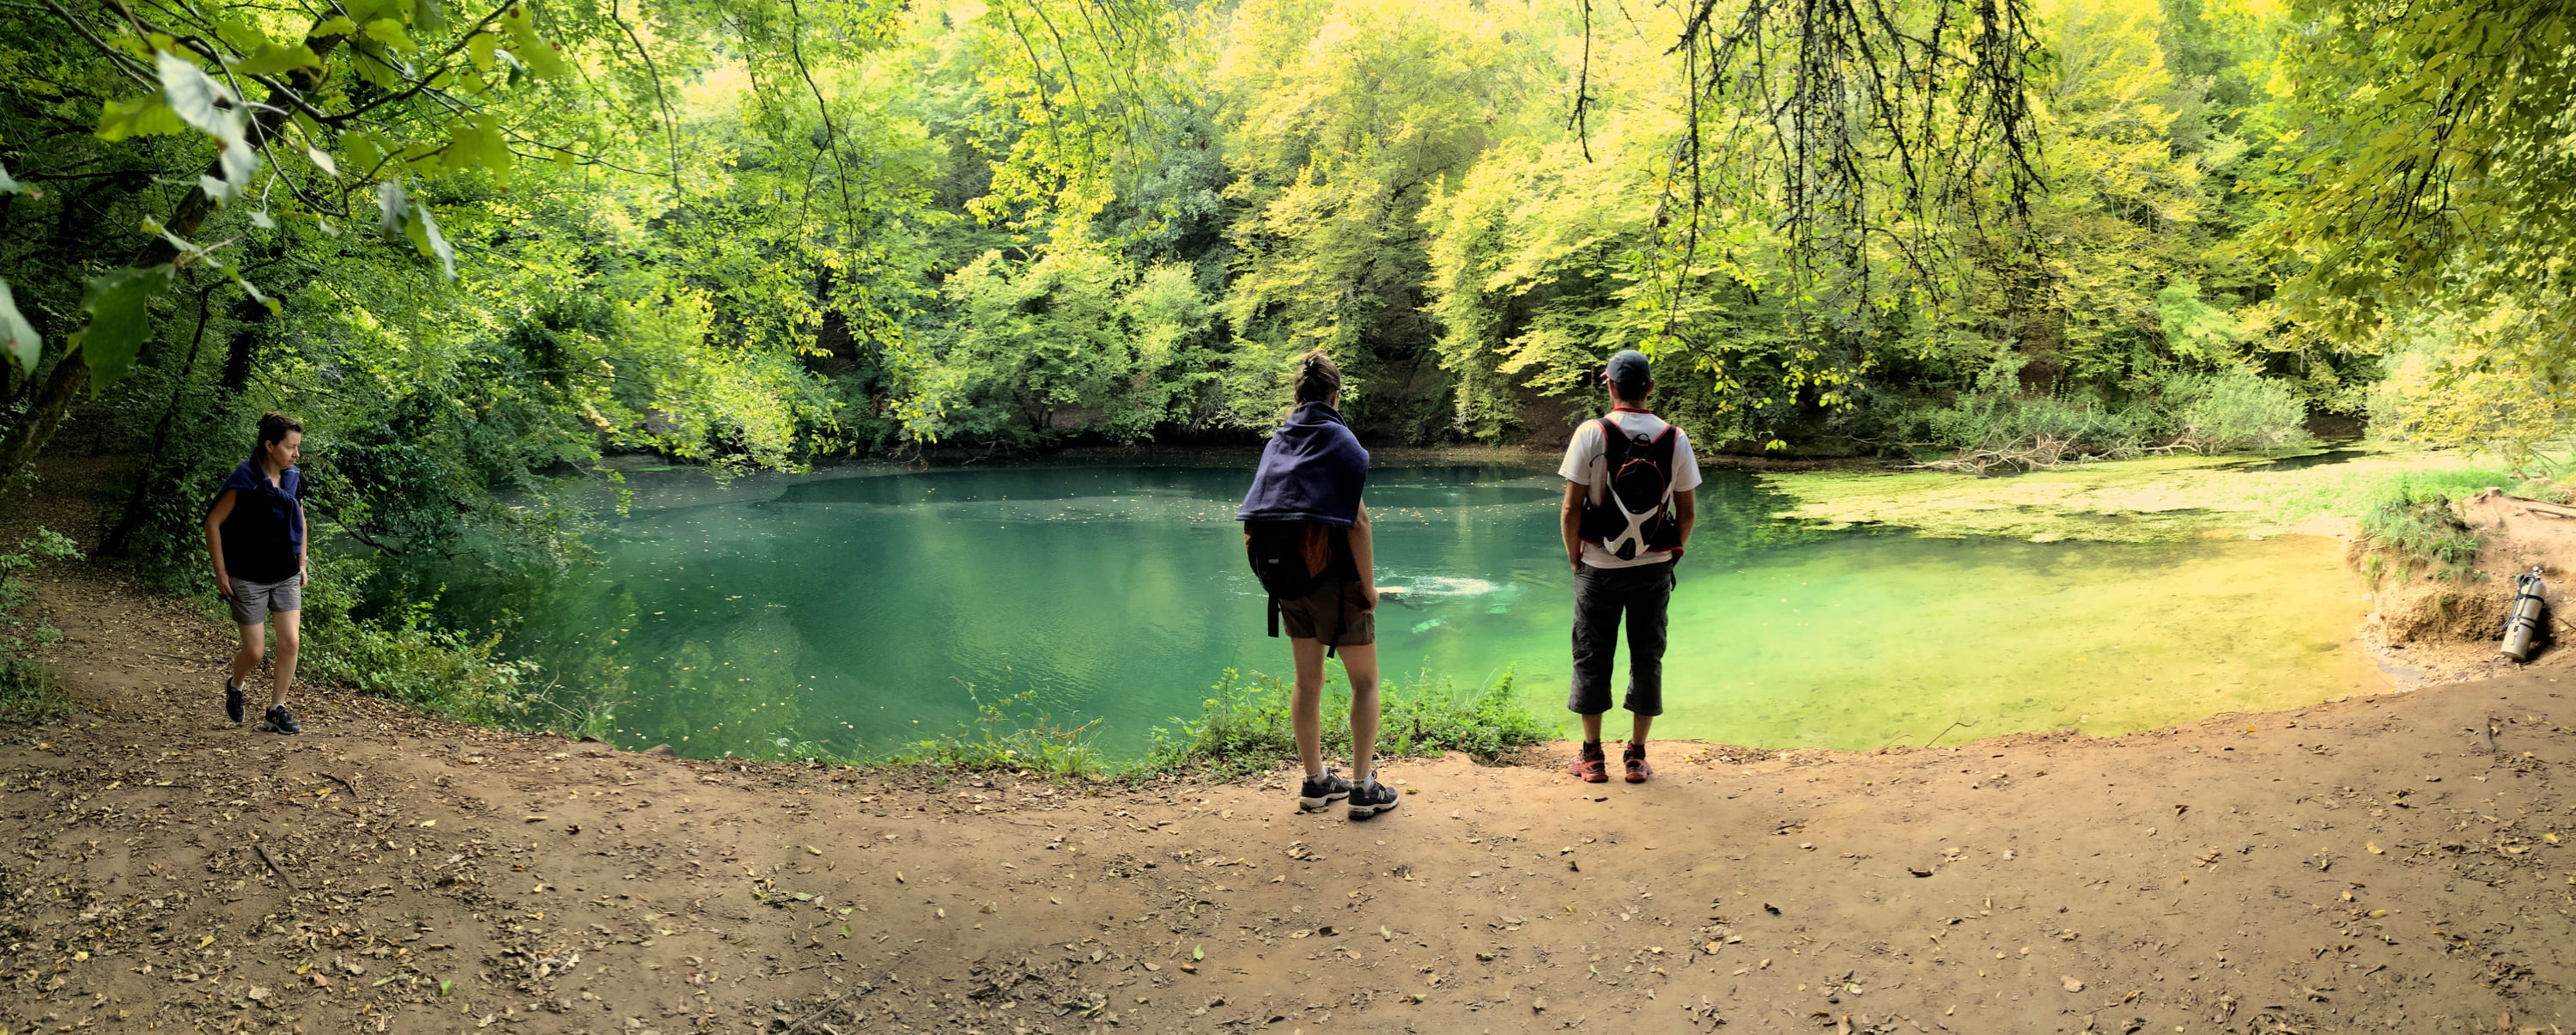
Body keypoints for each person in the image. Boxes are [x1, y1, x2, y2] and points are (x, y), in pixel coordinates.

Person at [1236, 350, 1394, 819]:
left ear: (1298, 393)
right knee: (1365, 683)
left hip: (1287, 581)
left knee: (1308, 682)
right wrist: (1369, 587)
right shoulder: (1338, 439)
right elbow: (1358, 522)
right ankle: (1364, 789)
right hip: (1337, 583)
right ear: (1335, 394)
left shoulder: (1281, 439)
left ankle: (1315, 782)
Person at [1558, 350, 1700, 783]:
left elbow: (1570, 509)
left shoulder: (1592, 433)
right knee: (1647, 657)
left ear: (1610, 385)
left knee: (1591, 656)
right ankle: (1636, 757)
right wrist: (1672, 553)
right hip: (1653, 568)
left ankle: (1592, 756)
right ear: (1650, 389)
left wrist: (1575, 560)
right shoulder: (1675, 438)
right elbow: (1688, 512)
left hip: (1598, 567)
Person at [205, 411, 308, 734]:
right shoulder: (244, 480)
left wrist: (302, 562)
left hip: (286, 572)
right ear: (269, 445)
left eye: (297, 447)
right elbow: (212, 524)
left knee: (290, 642)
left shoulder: (294, 479)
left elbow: (301, 520)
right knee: (255, 652)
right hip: (247, 576)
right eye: (291, 447)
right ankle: (236, 685)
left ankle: (276, 710)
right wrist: (221, 572)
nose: (296, 454)